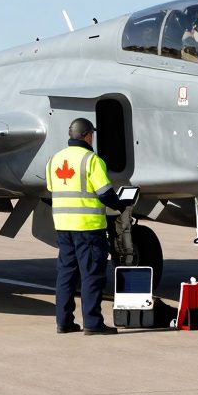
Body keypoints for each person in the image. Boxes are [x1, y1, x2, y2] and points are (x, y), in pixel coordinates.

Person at [46, 117, 130, 335]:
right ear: (88, 136)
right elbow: (104, 193)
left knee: (66, 274)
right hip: (88, 227)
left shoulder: (55, 159)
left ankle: (64, 322)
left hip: (63, 226)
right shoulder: (91, 160)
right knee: (91, 274)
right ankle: (92, 323)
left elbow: (51, 187)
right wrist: (121, 205)